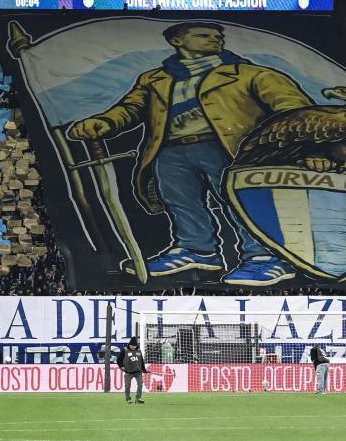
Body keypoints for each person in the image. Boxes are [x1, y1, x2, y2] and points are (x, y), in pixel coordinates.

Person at [68, 22, 313, 286]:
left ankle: (265, 256)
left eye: (217, 36)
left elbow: (296, 111)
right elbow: (130, 108)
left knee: (242, 203)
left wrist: (301, 147)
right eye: (203, 35)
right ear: (177, 41)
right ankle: (197, 250)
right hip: (171, 150)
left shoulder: (251, 74)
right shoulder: (154, 80)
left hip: (231, 148)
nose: (214, 40)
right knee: (181, 203)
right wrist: (106, 122)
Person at [121, 338, 147, 404]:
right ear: (129, 345)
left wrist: (144, 369)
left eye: (134, 346)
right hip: (128, 372)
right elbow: (119, 360)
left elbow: (142, 361)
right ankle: (128, 399)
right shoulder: (124, 350)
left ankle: (138, 399)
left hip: (138, 372)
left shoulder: (139, 350)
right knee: (127, 386)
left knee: (140, 385)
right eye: (132, 345)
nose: (133, 347)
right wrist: (121, 366)